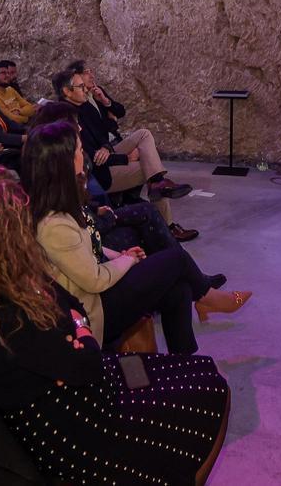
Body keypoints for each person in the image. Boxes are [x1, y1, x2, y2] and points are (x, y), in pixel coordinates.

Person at [0, 163, 230, 485]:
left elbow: (72, 309)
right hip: (78, 430)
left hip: (74, 393)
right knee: (208, 389)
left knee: (191, 368)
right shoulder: (5, 314)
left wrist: (76, 327)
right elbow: (87, 360)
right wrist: (79, 328)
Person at [21, 121, 249, 354]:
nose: (84, 154)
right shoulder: (53, 223)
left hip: (99, 289)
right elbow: (95, 280)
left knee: (178, 288)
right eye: (79, 150)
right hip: (94, 309)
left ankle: (183, 361)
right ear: (64, 161)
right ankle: (208, 297)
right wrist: (126, 261)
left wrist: (120, 255)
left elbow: (89, 245)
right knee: (176, 259)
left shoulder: (63, 202)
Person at [53, 68, 195, 235]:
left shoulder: (86, 106)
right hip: (100, 173)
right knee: (149, 169)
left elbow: (104, 133)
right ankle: (169, 227)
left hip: (107, 157)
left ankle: (157, 183)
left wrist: (106, 147)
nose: (86, 89)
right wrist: (126, 158)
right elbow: (91, 159)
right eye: (81, 86)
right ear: (66, 92)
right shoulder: (66, 118)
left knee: (144, 135)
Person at [66, 59, 124, 141]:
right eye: (86, 72)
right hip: (103, 147)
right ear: (76, 77)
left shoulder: (97, 91)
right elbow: (98, 128)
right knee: (143, 136)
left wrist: (105, 101)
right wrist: (113, 120)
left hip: (115, 138)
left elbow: (121, 112)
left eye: (91, 72)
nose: (92, 76)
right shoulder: (78, 101)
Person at [0, 60, 35, 125]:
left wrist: (19, 111)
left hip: (27, 124)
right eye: (3, 73)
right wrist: (27, 117)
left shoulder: (10, 89)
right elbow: (11, 119)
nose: (7, 76)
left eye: (8, 73)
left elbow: (30, 108)